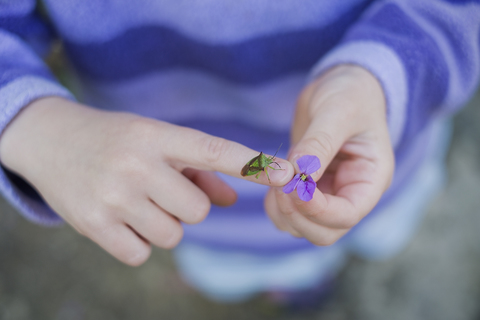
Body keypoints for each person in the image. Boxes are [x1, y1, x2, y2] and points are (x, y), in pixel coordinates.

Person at [0, 0, 479, 303]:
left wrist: (378, 76)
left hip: (372, 155)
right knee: (235, 269)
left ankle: (310, 280)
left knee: (365, 230)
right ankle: (296, 287)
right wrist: (31, 123)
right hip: (197, 204)